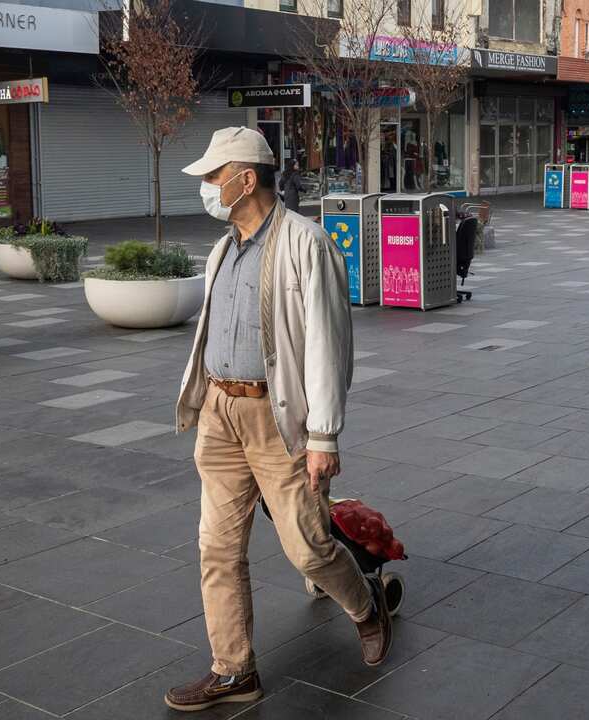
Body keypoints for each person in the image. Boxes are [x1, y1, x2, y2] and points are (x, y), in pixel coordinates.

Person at [166, 127, 390, 713]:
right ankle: (234, 670)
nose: (210, 189)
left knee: (309, 548)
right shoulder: (223, 248)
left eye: (216, 177)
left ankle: (366, 606)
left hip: (277, 417)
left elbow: (327, 345)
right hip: (221, 413)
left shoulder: (304, 242)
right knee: (216, 547)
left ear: (247, 178)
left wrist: (323, 436)